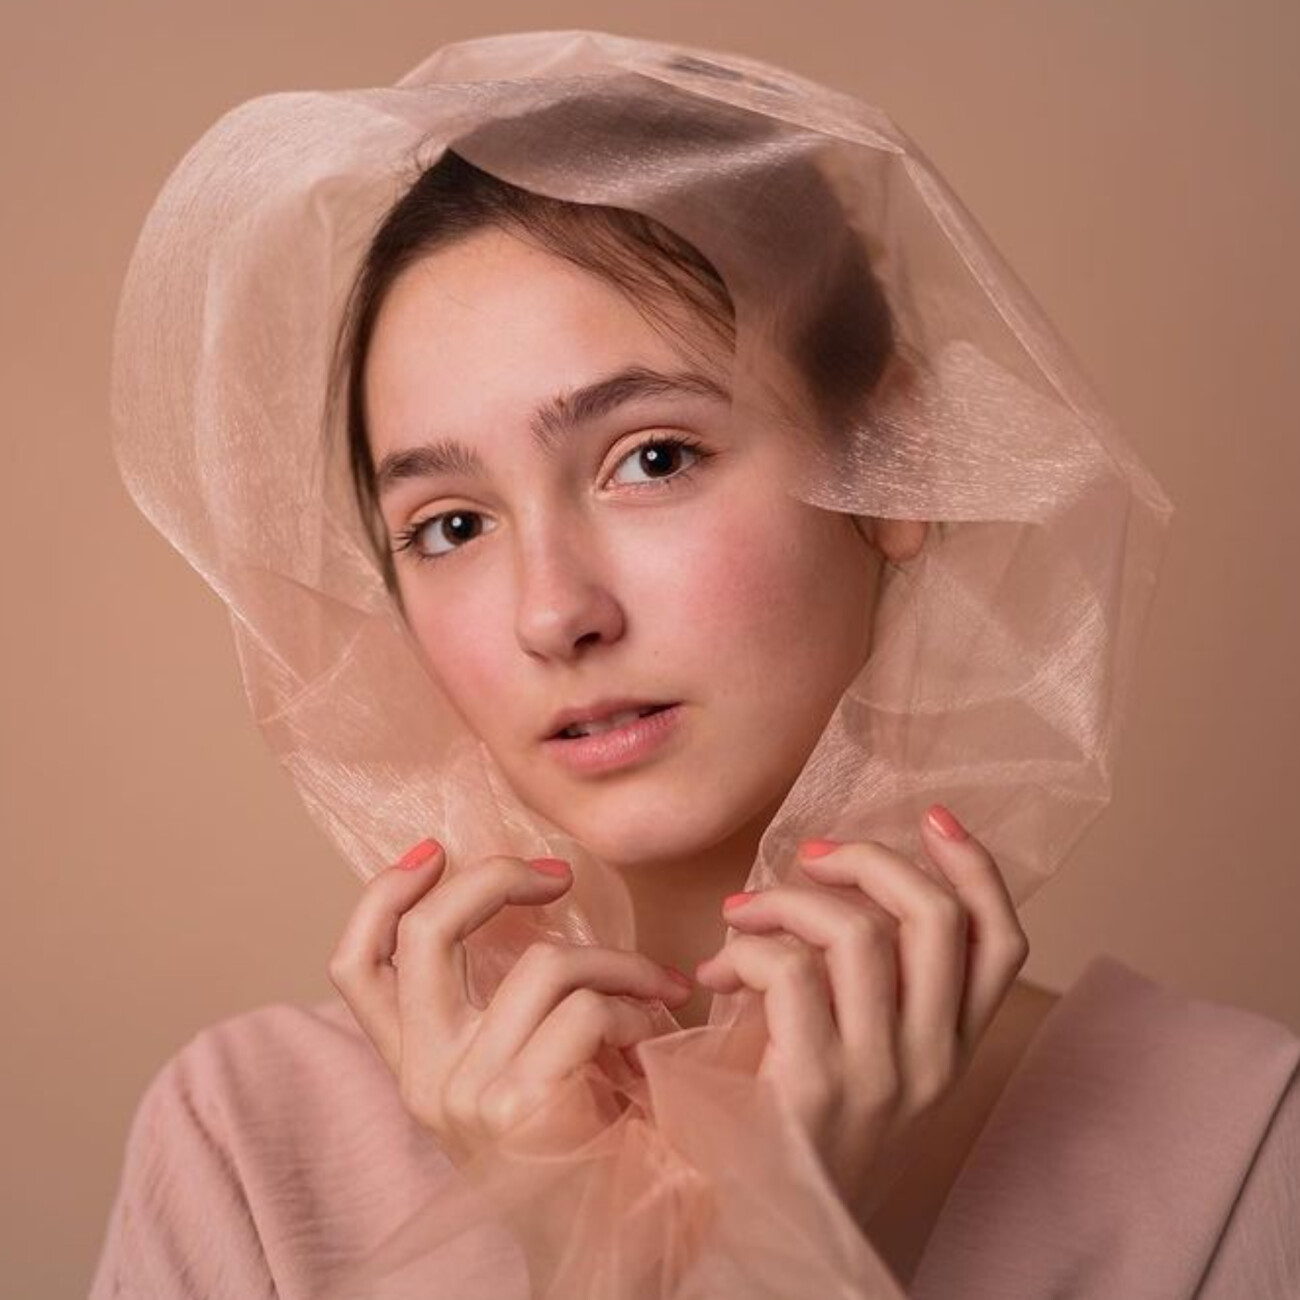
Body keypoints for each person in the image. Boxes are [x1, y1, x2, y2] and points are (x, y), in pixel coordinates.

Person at [89, 29, 1299, 1300]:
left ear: (894, 461)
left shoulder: (1228, 1144)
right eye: (450, 525)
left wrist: (780, 1224)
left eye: (652, 458)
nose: (554, 612)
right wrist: (575, 1234)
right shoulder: (247, 1144)